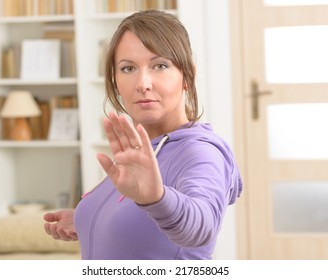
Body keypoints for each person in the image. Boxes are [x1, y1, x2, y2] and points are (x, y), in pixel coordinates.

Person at [44, 9, 243, 260]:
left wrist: (156, 198)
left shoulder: (201, 152)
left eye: (160, 65)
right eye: (128, 69)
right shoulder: (141, 147)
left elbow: (201, 227)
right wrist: (90, 217)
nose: (143, 83)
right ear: (115, 80)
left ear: (187, 76)